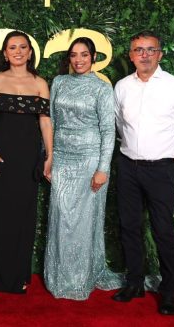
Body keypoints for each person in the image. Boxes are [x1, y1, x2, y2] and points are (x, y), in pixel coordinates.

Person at [112, 31, 174, 316]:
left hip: (161, 168)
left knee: (163, 230)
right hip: (128, 166)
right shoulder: (122, 86)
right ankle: (134, 283)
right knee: (129, 226)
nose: (144, 55)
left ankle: (169, 291)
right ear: (131, 55)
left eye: (150, 49)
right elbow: (119, 122)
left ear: (160, 54)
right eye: (139, 50)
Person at [43, 37, 123, 300]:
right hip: (62, 158)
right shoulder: (59, 82)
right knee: (61, 217)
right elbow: (51, 122)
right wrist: (49, 158)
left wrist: (103, 169)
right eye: (74, 55)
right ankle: (60, 277)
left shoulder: (102, 89)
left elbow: (108, 131)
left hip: (90, 160)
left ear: (93, 57)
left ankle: (81, 279)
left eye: (84, 55)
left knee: (84, 221)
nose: (78, 60)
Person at [0, 30, 53, 293]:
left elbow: (45, 122)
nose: (18, 52)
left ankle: (18, 275)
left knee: (23, 214)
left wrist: (49, 156)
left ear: (30, 53)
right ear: (5, 53)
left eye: (23, 47)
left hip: (27, 157)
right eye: (12, 47)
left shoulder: (40, 83)